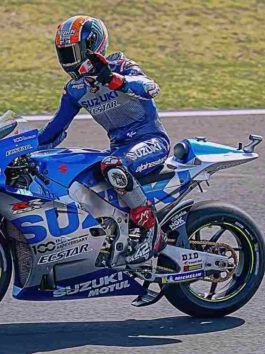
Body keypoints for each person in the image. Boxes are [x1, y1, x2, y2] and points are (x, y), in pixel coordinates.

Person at [38, 15, 169, 265]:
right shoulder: (75, 89)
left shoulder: (119, 64)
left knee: (111, 165)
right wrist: (18, 149)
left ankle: (152, 232)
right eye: (63, 53)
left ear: (92, 47)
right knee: (80, 175)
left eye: (73, 52)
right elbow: (54, 131)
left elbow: (151, 87)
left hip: (151, 142)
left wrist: (114, 80)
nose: (68, 60)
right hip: (119, 150)